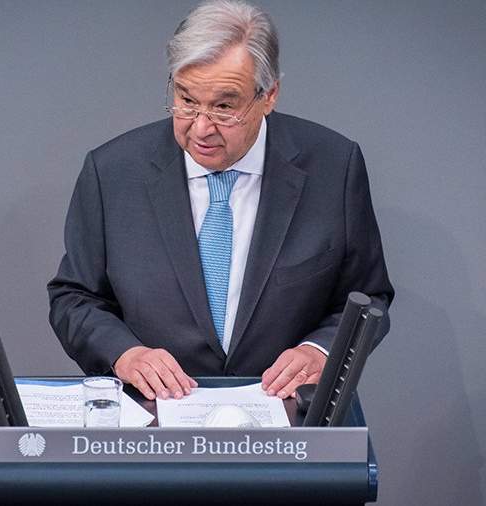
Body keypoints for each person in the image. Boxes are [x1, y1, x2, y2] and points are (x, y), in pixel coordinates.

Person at [48, 0, 393, 402]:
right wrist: (125, 354)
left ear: (269, 95)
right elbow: (74, 298)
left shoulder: (334, 168)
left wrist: (320, 351)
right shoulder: (112, 172)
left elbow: (369, 298)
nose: (201, 128)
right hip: (154, 417)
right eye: (187, 100)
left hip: (286, 416)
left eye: (224, 107)